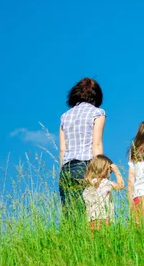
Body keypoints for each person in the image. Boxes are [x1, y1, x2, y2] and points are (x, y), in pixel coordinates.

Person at [59, 77, 106, 210]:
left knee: (70, 214)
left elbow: (63, 149)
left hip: (66, 169)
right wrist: (100, 172)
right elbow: (96, 145)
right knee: (91, 211)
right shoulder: (98, 113)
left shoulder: (65, 116)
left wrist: (64, 169)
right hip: (87, 166)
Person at [82, 155, 124, 231]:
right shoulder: (105, 183)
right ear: (105, 170)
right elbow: (120, 186)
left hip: (90, 220)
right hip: (104, 218)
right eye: (110, 171)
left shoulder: (88, 186)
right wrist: (116, 171)